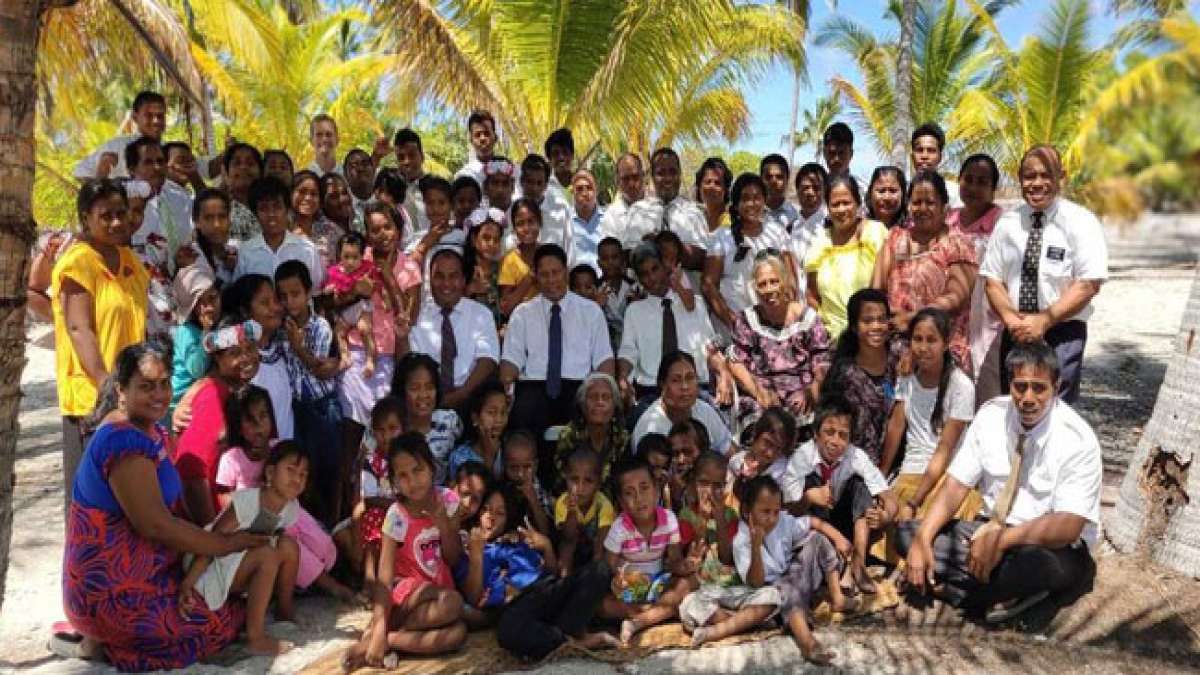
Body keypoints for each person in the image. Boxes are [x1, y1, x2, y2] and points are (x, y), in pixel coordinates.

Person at [62, 343, 267, 670]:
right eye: (146, 386)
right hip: (111, 593)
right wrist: (222, 544)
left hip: (148, 573)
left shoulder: (152, 429)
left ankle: (106, 640)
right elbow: (155, 525)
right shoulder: (123, 444)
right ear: (121, 390)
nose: (159, 394)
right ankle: (107, 643)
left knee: (225, 601)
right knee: (218, 624)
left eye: (164, 384)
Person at [899, 341, 1101, 623]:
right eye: (1020, 386)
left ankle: (960, 591)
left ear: (1056, 387)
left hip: (1047, 546)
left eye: (1039, 387)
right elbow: (955, 486)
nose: (1028, 398)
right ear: (1009, 384)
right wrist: (922, 539)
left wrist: (1001, 541)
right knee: (907, 533)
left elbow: (1067, 527)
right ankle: (996, 594)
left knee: (1036, 565)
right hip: (988, 529)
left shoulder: (1078, 439)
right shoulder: (991, 415)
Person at [980, 145, 1108, 404]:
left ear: (1061, 176)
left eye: (1045, 175)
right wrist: (1011, 320)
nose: (1036, 183)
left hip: (1062, 333)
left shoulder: (1081, 222)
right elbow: (992, 280)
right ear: (1020, 178)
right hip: (1015, 332)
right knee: (1014, 406)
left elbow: (1089, 283)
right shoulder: (1007, 223)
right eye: (1029, 176)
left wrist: (1044, 321)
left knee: (1056, 410)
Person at [52, 180, 149, 511]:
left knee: (130, 504)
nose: (116, 222)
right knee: (93, 507)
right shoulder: (78, 262)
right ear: (85, 218)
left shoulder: (130, 260)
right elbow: (79, 328)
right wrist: (109, 389)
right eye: (105, 215)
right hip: (92, 401)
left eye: (121, 213)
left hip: (130, 398)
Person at [343, 433, 467, 669]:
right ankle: (382, 631)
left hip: (437, 595)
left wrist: (443, 525)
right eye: (403, 475)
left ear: (431, 468)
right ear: (394, 482)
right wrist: (380, 621)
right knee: (453, 603)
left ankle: (388, 641)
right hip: (406, 597)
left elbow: (453, 558)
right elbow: (385, 577)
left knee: (458, 633)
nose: (412, 480)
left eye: (417, 470)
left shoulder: (449, 501)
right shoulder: (397, 515)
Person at [501, 244, 615, 482]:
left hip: (579, 388)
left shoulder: (591, 312)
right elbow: (510, 364)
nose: (551, 280)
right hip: (534, 386)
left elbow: (604, 363)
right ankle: (528, 489)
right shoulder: (522, 314)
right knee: (521, 420)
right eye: (544, 274)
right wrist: (507, 387)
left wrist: (601, 394)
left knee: (594, 415)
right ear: (536, 276)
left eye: (556, 272)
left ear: (566, 271)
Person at [180, 441, 305, 656]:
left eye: (303, 474)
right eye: (291, 470)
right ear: (270, 473)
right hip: (210, 563)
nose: (297, 479)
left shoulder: (291, 508)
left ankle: (284, 610)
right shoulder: (247, 501)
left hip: (239, 560)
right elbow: (212, 539)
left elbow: (272, 537)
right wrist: (188, 582)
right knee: (268, 556)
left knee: (289, 547)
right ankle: (255, 637)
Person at [877, 309, 982, 562]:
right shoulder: (907, 379)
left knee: (924, 527)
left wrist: (915, 501)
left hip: (946, 477)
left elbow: (944, 451)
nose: (923, 347)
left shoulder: (961, 387)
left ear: (946, 343)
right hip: (910, 471)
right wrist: (880, 477)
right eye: (917, 339)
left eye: (931, 340)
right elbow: (896, 428)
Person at [336, 201, 424, 495]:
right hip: (357, 353)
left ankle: (383, 494)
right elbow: (337, 299)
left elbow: (407, 316)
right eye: (374, 230)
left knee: (383, 435)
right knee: (350, 434)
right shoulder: (359, 257)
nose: (382, 234)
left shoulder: (409, 267)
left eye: (388, 227)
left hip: (388, 359)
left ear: (398, 230)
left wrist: (386, 275)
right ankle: (347, 502)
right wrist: (353, 290)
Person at [781, 398, 897, 595]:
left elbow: (890, 498)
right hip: (813, 525)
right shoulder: (802, 457)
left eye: (843, 435)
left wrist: (886, 517)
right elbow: (788, 510)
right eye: (829, 432)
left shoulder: (855, 456)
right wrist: (809, 497)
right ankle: (839, 565)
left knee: (860, 486)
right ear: (816, 434)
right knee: (808, 481)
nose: (836, 441)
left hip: (845, 523)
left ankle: (859, 562)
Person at [734, 475, 852, 665]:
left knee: (817, 539)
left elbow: (811, 522)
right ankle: (808, 643)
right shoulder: (741, 540)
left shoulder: (782, 521)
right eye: (765, 512)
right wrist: (755, 546)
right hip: (772, 595)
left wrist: (838, 538)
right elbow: (755, 582)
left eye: (776, 511)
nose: (772, 518)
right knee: (786, 588)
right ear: (748, 511)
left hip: (795, 576)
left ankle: (837, 597)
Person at [872, 170, 977, 372]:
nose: (922, 208)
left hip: (942, 351)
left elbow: (957, 296)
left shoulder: (958, 244)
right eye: (916, 202)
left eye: (930, 202)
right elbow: (876, 289)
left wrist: (912, 318)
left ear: (944, 206)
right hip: (894, 348)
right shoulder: (895, 238)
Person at [680, 452, 781, 648]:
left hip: (734, 589)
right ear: (693, 483)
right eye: (704, 483)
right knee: (687, 606)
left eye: (717, 485)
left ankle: (716, 630)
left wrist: (718, 518)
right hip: (706, 590)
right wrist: (700, 528)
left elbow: (726, 558)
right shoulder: (685, 516)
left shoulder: (729, 514)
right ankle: (740, 622)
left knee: (772, 596)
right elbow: (688, 559)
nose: (710, 491)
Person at [727, 252, 831, 431]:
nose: (769, 289)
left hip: (801, 394)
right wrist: (758, 392)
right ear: (755, 289)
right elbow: (736, 362)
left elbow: (822, 361)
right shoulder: (746, 320)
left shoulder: (808, 318)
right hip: (762, 396)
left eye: (774, 281)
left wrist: (811, 390)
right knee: (761, 427)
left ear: (785, 282)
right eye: (762, 284)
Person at [174, 318, 261, 524]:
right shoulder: (213, 397)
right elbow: (190, 474)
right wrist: (212, 536)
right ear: (217, 360)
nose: (246, 358)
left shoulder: (238, 393)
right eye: (234, 353)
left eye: (250, 348)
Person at [275, 260, 343, 523]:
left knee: (327, 466)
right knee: (303, 470)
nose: (290, 302)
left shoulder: (319, 327)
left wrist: (298, 346)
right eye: (284, 296)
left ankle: (331, 524)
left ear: (307, 293)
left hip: (322, 407)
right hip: (298, 409)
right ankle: (306, 523)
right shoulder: (282, 329)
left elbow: (318, 367)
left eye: (296, 294)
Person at [600, 457, 691, 645]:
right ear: (621, 502)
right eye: (629, 493)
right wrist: (617, 584)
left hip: (657, 585)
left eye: (644, 488)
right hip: (627, 591)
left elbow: (674, 562)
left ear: (657, 490)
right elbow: (606, 569)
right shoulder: (619, 528)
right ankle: (656, 613)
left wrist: (688, 564)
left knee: (689, 583)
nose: (639, 498)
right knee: (601, 606)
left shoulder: (669, 520)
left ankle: (638, 622)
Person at [620, 243, 720, 407]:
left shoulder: (695, 304)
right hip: (652, 391)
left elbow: (711, 347)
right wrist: (623, 378)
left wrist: (723, 375)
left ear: (665, 266)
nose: (651, 278)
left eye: (655, 269)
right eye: (644, 274)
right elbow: (628, 351)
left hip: (694, 389)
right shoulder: (635, 311)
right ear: (638, 278)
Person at [407, 248, 500, 410]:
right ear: (429, 280)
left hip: (470, 397)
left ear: (464, 280)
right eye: (439, 276)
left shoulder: (481, 314)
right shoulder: (417, 316)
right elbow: (411, 364)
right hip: (426, 401)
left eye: (453, 276)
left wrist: (462, 394)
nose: (446, 284)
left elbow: (488, 360)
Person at [704, 173, 797, 334]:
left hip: (774, 328)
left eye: (757, 198)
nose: (752, 204)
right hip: (735, 329)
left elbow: (790, 278)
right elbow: (708, 285)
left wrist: (785, 316)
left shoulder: (777, 232)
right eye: (745, 198)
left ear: (764, 200)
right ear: (736, 203)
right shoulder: (722, 237)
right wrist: (734, 323)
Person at [820, 288, 899, 465]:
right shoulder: (845, 373)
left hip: (902, 458)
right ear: (855, 327)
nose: (876, 326)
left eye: (881, 319)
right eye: (867, 321)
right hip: (856, 462)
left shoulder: (900, 356)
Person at [804, 175, 888, 338]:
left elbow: (887, 285)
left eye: (846, 203)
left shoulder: (875, 232)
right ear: (827, 208)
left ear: (857, 202)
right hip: (832, 337)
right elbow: (811, 294)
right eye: (835, 204)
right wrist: (824, 326)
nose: (841, 209)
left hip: (872, 335)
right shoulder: (820, 241)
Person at [951, 154, 1006, 403]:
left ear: (993, 189)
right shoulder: (946, 219)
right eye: (968, 179)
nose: (973, 187)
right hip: (950, 321)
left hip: (987, 324)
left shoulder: (1003, 224)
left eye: (982, 182)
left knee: (987, 395)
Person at [619, 148, 709, 269]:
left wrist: (671, 247)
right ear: (652, 176)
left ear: (680, 175)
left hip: (685, 287)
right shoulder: (637, 210)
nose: (667, 178)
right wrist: (648, 248)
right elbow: (627, 257)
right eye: (661, 173)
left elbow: (702, 259)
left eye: (673, 172)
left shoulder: (694, 213)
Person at [632, 351, 734, 456]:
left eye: (690, 378)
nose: (685, 386)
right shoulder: (649, 429)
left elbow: (729, 450)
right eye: (676, 380)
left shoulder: (704, 410)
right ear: (662, 385)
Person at [233, 176, 324, 289]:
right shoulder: (246, 252)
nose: (271, 214)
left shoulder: (307, 249)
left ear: (287, 209)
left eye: (277, 207)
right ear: (255, 213)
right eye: (264, 208)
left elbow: (315, 292)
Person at [389, 353, 463, 486]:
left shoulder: (450, 421)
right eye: (414, 388)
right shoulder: (388, 425)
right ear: (402, 391)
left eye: (429, 387)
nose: (423, 395)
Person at [354, 396, 405, 584]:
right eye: (381, 431)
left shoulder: (409, 459)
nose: (387, 436)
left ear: (403, 429)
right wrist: (394, 505)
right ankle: (370, 578)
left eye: (393, 429)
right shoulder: (371, 461)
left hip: (406, 512)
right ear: (374, 433)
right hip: (381, 512)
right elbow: (369, 497)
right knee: (374, 518)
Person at [553, 372, 630, 490]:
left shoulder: (621, 437)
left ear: (614, 406)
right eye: (593, 397)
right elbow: (562, 481)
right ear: (583, 405)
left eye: (606, 397)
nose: (600, 402)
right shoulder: (569, 435)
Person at [73, 90, 166, 180]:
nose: (156, 121)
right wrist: (105, 187)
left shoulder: (170, 151)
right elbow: (81, 172)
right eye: (149, 115)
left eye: (160, 116)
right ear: (135, 117)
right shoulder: (118, 146)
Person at [326, 232, 383, 377]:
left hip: (361, 307)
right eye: (346, 257)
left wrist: (384, 299)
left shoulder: (367, 268)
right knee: (338, 332)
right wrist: (329, 289)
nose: (350, 262)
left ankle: (371, 359)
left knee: (365, 329)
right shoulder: (334, 271)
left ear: (362, 255)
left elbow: (376, 285)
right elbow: (328, 285)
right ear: (339, 255)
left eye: (355, 257)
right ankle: (345, 357)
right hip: (345, 310)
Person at [169, 263, 220, 418]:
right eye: (201, 303)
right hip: (179, 405)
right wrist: (205, 333)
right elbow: (196, 370)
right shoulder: (186, 332)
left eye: (213, 298)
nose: (209, 307)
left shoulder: (219, 326)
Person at [555, 448, 616, 577]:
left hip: (595, 549)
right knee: (566, 547)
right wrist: (571, 510)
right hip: (572, 548)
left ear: (598, 483)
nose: (580, 488)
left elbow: (602, 540)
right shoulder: (563, 502)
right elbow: (568, 537)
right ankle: (564, 581)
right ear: (566, 478)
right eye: (574, 480)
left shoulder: (603, 504)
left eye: (588, 481)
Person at [447, 380, 509, 480]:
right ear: (475, 418)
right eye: (492, 412)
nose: (499, 419)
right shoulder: (460, 457)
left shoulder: (510, 450)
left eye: (503, 412)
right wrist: (489, 456)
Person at [515, 154, 574, 253]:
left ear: (546, 185)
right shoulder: (513, 210)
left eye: (539, 183)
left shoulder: (561, 210)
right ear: (521, 181)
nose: (534, 188)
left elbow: (570, 250)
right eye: (530, 182)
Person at [501, 429, 555, 536]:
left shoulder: (541, 491)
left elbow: (546, 532)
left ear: (535, 465)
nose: (520, 474)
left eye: (527, 467)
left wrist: (532, 498)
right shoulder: (501, 488)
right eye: (513, 467)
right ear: (504, 465)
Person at [291, 170, 345, 273]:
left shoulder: (333, 231)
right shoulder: (281, 229)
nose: (308, 198)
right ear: (291, 194)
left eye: (314, 194)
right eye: (302, 192)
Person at [498, 198, 543, 315]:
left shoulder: (549, 255)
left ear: (540, 222)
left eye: (531, 221)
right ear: (514, 228)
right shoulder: (510, 260)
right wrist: (530, 277)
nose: (526, 229)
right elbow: (505, 308)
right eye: (520, 224)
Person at [462, 207, 505, 323]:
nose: (492, 244)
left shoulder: (502, 269)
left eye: (496, 240)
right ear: (473, 239)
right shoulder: (462, 270)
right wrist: (469, 290)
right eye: (486, 238)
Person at [911, 122, 963, 208]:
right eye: (920, 150)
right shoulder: (901, 193)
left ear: (940, 157)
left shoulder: (955, 193)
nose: (924, 156)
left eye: (931, 150)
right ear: (912, 156)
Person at [598, 153, 645, 243]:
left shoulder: (658, 208)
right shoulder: (611, 216)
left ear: (643, 176)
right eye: (626, 179)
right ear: (617, 181)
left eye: (635, 177)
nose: (631, 184)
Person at [393, 127, 429, 244]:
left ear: (422, 156)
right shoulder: (393, 191)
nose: (407, 162)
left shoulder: (438, 188)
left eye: (412, 155)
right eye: (401, 157)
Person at [224, 142, 264, 241]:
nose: (243, 167)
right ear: (227, 174)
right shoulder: (220, 213)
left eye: (250, 163)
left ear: (261, 173)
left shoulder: (272, 211)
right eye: (237, 163)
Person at [792, 163, 829, 262]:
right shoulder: (789, 229)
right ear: (797, 190)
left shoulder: (832, 226)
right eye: (805, 188)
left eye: (816, 188)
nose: (810, 193)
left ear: (825, 191)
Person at [571, 169, 605, 272]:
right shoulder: (565, 221)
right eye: (579, 189)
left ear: (596, 191)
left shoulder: (608, 219)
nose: (585, 193)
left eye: (589, 188)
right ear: (573, 192)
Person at [455, 109, 500, 188]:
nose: (482, 138)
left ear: (495, 137)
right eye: (477, 135)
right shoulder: (464, 175)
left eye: (487, 133)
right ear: (471, 140)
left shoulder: (511, 171)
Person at [761, 154, 799, 233]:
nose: (773, 182)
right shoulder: (750, 214)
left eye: (779, 177)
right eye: (768, 177)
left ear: (787, 180)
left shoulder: (797, 215)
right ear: (761, 180)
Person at [695, 157, 733, 234]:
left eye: (717, 183)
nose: (711, 187)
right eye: (708, 182)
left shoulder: (733, 224)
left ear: (725, 189)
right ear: (699, 187)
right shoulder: (693, 220)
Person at [545, 127, 576, 195]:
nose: (561, 157)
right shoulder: (544, 188)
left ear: (572, 156)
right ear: (549, 159)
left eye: (565, 152)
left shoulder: (583, 185)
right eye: (556, 153)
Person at [344, 147, 377, 211]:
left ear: (373, 169)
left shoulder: (387, 198)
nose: (360, 168)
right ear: (345, 174)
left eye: (365, 163)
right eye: (354, 165)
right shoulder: (341, 204)